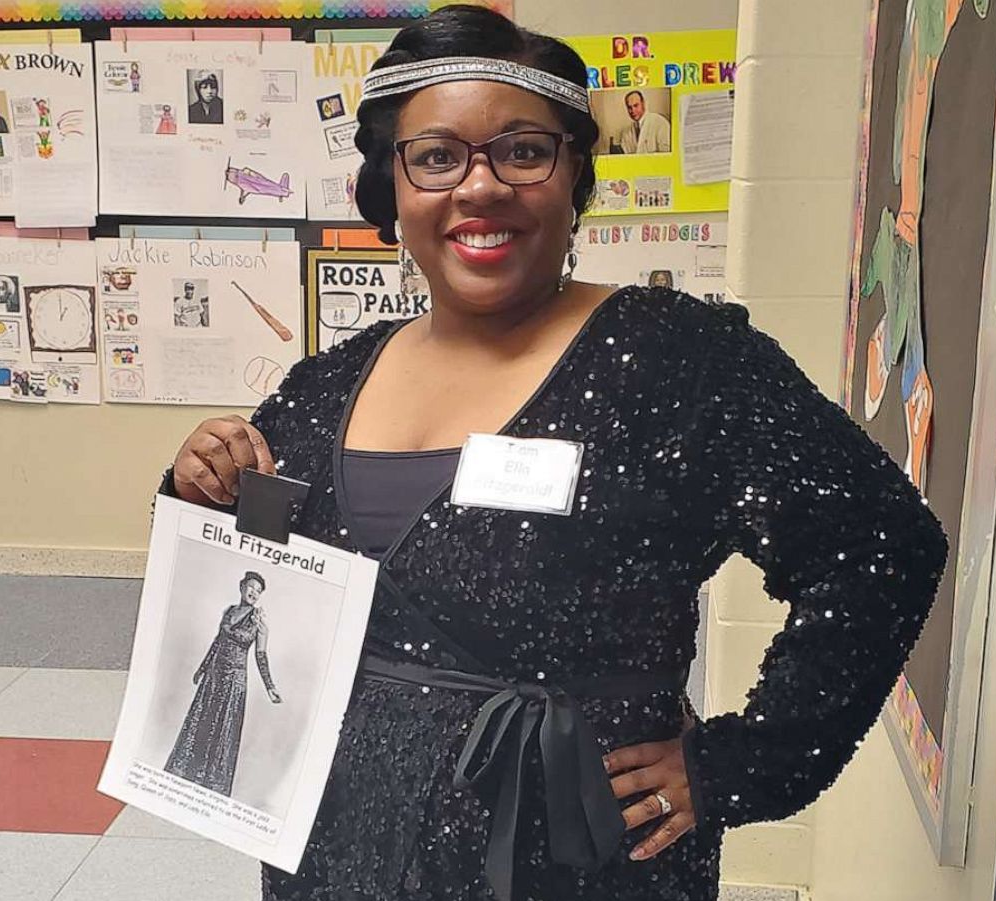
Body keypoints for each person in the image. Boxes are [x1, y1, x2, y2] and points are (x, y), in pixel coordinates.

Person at [160, 7, 946, 901]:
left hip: (569, 847)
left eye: (524, 151)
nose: (480, 187)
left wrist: (744, 761)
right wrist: (200, 483)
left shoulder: (673, 360)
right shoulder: (327, 381)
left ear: (575, 175)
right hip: (340, 836)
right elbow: (252, 561)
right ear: (391, 188)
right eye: (437, 156)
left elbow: (882, 547)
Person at [165, 571, 282, 795]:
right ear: (241, 587)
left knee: (222, 732)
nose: (254, 593)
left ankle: (212, 785)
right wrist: (202, 668)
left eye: (258, 591)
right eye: (251, 587)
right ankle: (189, 775)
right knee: (202, 724)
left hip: (234, 683)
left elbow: (260, 656)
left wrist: (270, 687)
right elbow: (217, 642)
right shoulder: (229, 612)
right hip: (214, 677)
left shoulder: (259, 624)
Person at [614, 90, 671, 154]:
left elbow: (666, 156)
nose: (633, 110)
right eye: (629, 107)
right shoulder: (627, 133)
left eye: (636, 105)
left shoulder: (660, 123)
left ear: (643, 103)